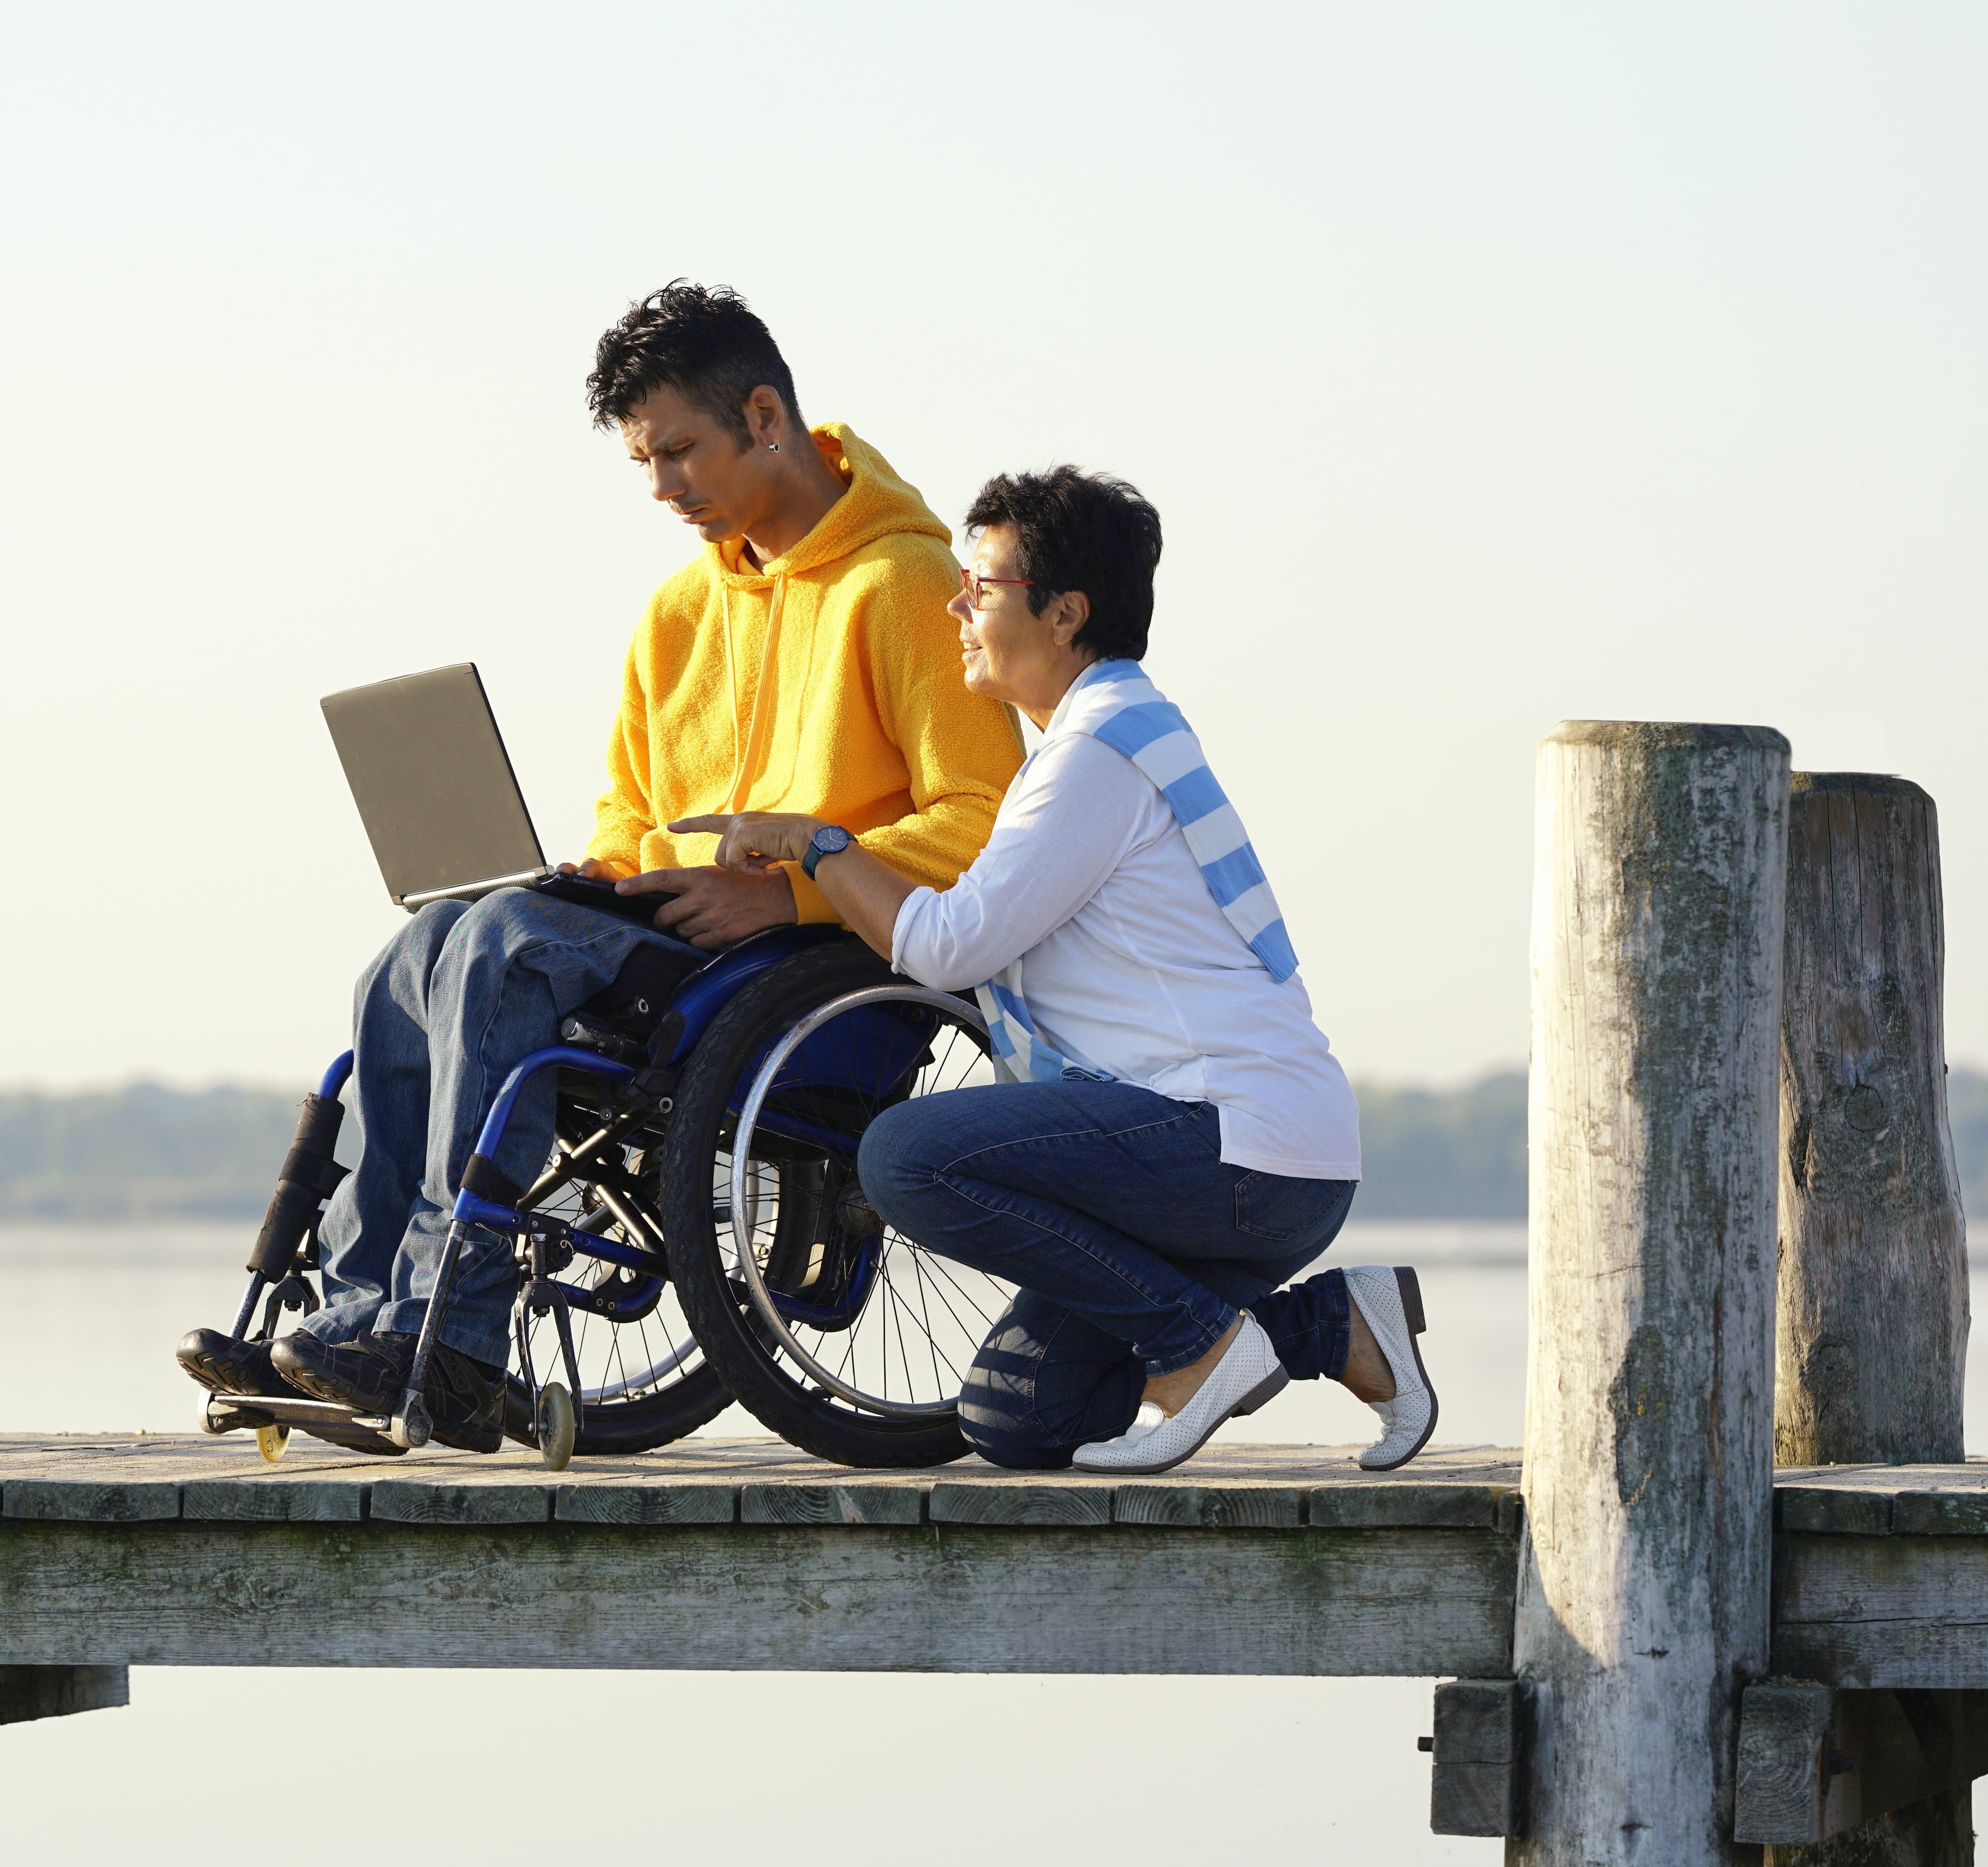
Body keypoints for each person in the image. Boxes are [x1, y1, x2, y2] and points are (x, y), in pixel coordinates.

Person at [177, 283, 1024, 1452]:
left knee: (502, 946)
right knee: (416, 950)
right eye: (644, 462)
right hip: (671, 935)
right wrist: (602, 869)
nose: (663, 486)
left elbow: (984, 821)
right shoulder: (678, 613)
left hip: (809, 962)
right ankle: (355, 1313)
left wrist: (788, 888)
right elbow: (633, 805)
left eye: (678, 451)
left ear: (764, 418)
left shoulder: (906, 586)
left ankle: (453, 1333)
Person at [673, 466, 1438, 1475]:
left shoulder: (1096, 756)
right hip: (1250, 1160)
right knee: (1017, 1416)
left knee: (903, 1157)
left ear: (1065, 613)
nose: (955, 609)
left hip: (1232, 1148)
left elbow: (946, 945)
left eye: (980, 588)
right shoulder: (1102, 738)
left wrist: (817, 846)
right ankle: (1333, 1326)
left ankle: (1197, 1343)